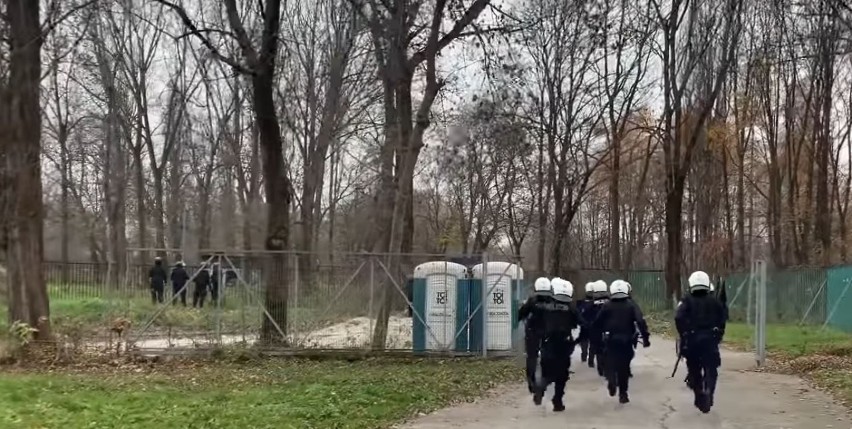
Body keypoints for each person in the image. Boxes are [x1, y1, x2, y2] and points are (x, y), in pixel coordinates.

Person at [675, 270, 727, 413]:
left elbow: (678, 317)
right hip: (710, 341)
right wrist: (718, 334)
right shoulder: (715, 301)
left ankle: (699, 396)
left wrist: (684, 333)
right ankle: (709, 391)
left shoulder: (686, 300)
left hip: (692, 342)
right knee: (711, 370)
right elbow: (722, 319)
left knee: (694, 370)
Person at [593, 279, 650, 404]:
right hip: (627, 340)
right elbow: (640, 321)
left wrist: (597, 336)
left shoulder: (607, 305)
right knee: (624, 367)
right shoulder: (631, 304)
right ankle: (623, 393)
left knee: (610, 362)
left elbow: (597, 322)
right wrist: (645, 338)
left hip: (611, 340)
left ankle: (612, 381)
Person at [532, 278, 583, 412]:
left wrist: (538, 337)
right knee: (562, 375)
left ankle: (541, 387)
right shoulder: (571, 309)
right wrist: (578, 340)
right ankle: (557, 401)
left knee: (547, 372)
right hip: (564, 345)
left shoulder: (542, 308)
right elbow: (583, 324)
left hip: (547, 344)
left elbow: (533, 325)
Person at [518, 277, 554, 393]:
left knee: (532, 356)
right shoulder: (553, 301)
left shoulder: (532, 301)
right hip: (548, 332)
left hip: (532, 331)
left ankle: (531, 381)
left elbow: (522, 314)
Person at [583, 280, 609, 376]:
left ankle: (599, 366)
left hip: (595, 329)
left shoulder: (591, 304)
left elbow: (584, 314)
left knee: (596, 347)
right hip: (608, 328)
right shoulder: (610, 302)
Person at [577, 282, 595, 363]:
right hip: (592, 325)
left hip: (584, 325)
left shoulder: (581, 303)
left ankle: (585, 355)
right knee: (592, 341)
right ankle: (590, 358)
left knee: (585, 340)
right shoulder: (595, 303)